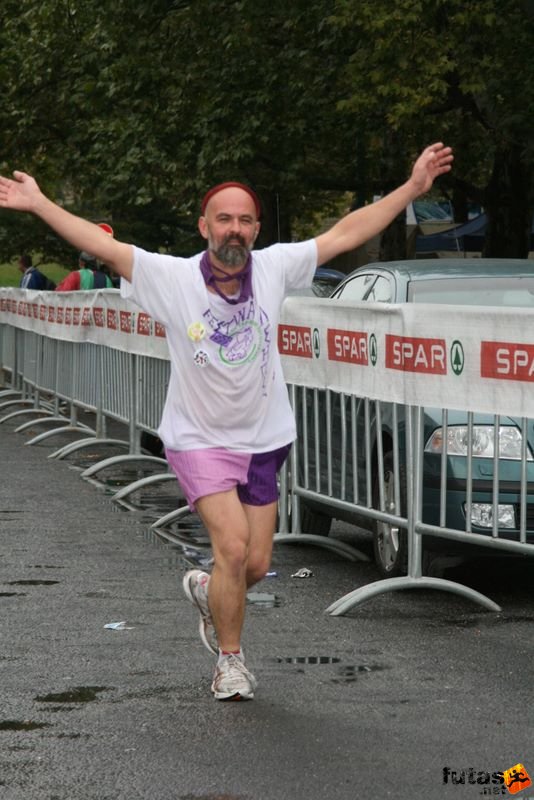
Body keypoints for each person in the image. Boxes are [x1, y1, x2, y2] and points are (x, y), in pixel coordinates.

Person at [0, 142, 453, 701]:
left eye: (244, 220)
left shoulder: (277, 268)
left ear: (256, 229)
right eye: (223, 219)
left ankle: (208, 589)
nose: (234, 229)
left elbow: (344, 234)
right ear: (204, 226)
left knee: (255, 564)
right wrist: (41, 203)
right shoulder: (172, 278)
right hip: (199, 440)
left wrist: (411, 189)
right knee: (234, 549)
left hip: (265, 439)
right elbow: (102, 244)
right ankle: (231, 663)